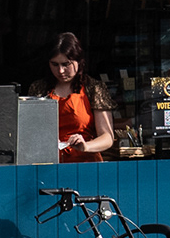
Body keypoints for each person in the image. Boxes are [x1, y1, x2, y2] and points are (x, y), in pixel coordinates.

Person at [30, 32, 115, 163]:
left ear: (79, 62)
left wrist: (86, 146)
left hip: (86, 164)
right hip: (47, 165)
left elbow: (107, 137)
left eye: (66, 64)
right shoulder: (39, 89)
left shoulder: (93, 88)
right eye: (55, 64)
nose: (61, 71)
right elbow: (28, 132)